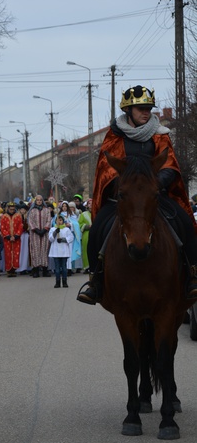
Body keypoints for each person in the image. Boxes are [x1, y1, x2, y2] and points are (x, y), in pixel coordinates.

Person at [77, 84, 197, 305]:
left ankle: (192, 276)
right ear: (128, 111)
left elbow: (171, 165)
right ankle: (95, 282)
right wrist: (126, 186)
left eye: (148, 108)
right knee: (96, 231)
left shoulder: (160, 135)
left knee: (185, 223)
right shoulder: (114, 137)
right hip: (122, 200)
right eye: (141, 108)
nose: (146, 112)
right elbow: (106, 169)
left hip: (155, 197)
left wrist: (156, 183)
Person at [27, 195, 52, 278]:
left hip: (45, 233)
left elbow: (49, 220)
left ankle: (45, 270)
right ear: (35, 201)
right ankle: (35, 270)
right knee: (35, 251)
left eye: (40, 200)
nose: (39, 201)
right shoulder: (32, 211)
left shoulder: (46, 210)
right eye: (37, 200)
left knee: (44, 250)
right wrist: (36, 230)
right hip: (35, 234)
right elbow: (30, 221)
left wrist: (44, 229)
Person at [48, 215, 74, 288]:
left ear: (63, 221)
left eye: (60, 220)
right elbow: (50, 239)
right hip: (56, 251)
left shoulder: (66, 229)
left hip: (64, 251)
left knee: (64, 267)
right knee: (57, 268)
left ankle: (64, 281)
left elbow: (71, 237)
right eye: (57, 220)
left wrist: (63, 240)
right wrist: (55, 232)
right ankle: (57, 281)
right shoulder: (53, 229)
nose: (59, 222)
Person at [0, 201, 23, 277]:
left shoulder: (18, 216)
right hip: (7, 239)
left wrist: (16, 235)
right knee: (8, 254)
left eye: (13, 209)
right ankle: (9, 270)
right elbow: (2, 228)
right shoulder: (4, 216)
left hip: (16, 238)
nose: (12, 210)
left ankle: (14, 269)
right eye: (10, 209)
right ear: (8, 209)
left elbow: (20, 226)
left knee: (16, 254)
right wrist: (8, 236)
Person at [78, 198, 92, 273]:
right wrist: (86, 226)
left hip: (95, 234)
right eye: (90, 203)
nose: (91, 205)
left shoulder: (98, 213)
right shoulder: (83, 214)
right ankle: (87, 267)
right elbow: (79, 224)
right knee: (86, 250)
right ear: (87, 205)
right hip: (86, 234)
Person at [16, 204, 31, 275]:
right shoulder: (17, 217)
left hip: (26, 235)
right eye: (21, 209)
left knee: (26, 251)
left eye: (24, 209)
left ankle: (26, 267)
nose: (22, 211)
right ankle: (20, 267)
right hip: (20, 235)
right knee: (20, 252)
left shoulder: (28, 217)